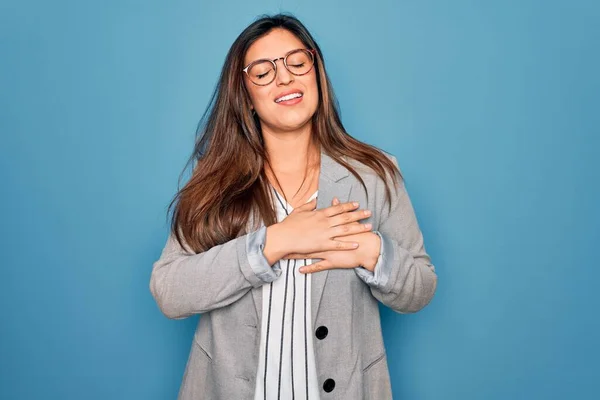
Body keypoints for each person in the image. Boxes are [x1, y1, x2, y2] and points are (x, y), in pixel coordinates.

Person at [149, 13, 437, 400]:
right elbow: (169, 290)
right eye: (263, 72)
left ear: (316, 71)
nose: (284, 77)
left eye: (296, 62)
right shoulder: (215, 181)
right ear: (245, 96)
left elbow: (420, 289)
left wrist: (373, 252)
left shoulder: (374, 175)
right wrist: (274, 242)